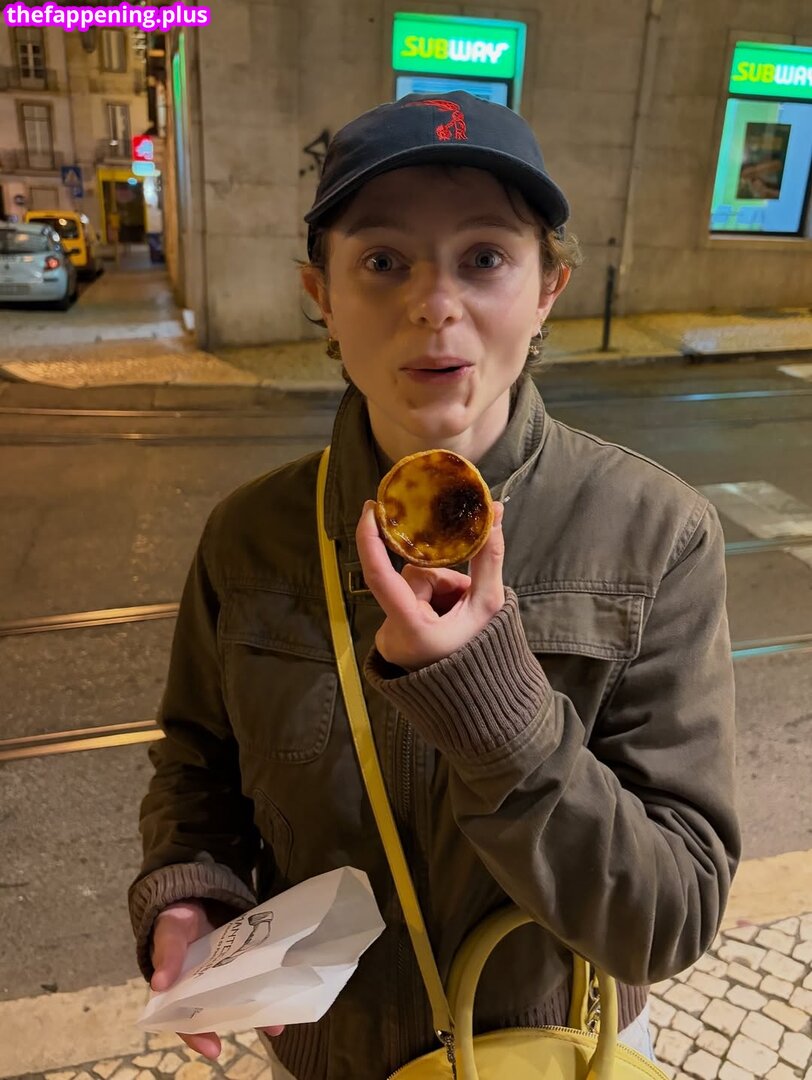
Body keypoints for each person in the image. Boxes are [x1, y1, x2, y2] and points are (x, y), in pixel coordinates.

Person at [129, 91, 739, 1079]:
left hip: (550, 1053)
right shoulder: (250, 537)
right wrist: (191, 891)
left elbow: (667, 918)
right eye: (382, 261)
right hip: (328, 1056)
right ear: (320, 296)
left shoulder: (655, 534)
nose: (434, 303)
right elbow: (198, 765)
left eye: (485, 257)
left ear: (548, 289)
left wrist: (496, 716)